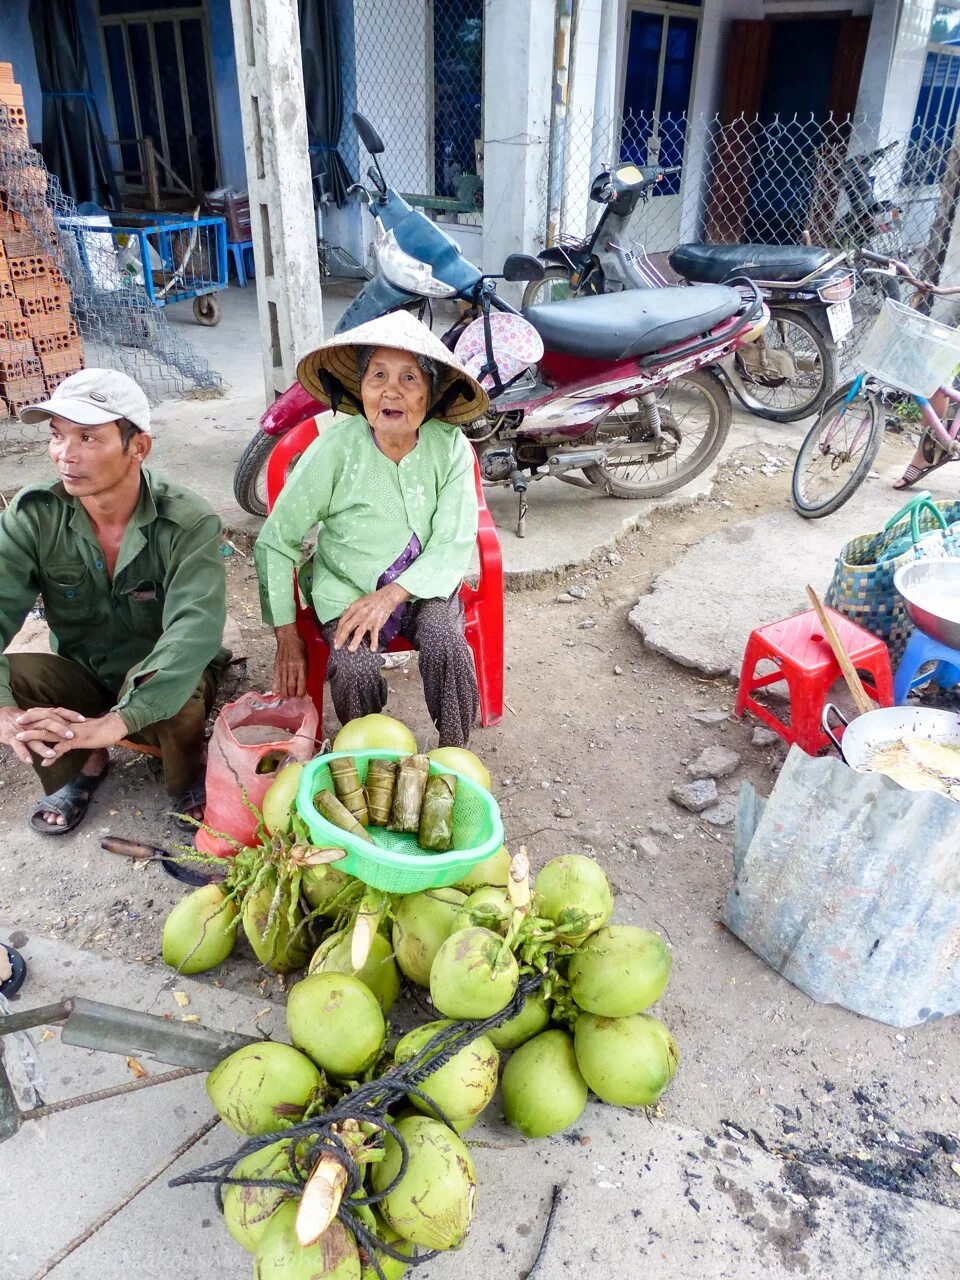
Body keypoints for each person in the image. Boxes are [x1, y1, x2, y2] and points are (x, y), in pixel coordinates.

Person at [0, 368, 228, 835]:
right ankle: (82, 762)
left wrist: (119, 720)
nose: (66, 454)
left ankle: (186, 779)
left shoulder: (188, 521)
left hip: (158, 682)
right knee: (21, 679)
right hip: (83, 677)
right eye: (57, 435)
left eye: (88, 437)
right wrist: (3, 711)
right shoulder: (33, 515)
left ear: (138, 447)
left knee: (178, 682)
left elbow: (194, 631)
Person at [255, 311, 488, 747]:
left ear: (431, 394)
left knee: (448, 645)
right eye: (377, 375)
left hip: (425, 585)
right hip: (348, 587)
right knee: (353, 666)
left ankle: (455, 751)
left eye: (409, 379)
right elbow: (277, 539)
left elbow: (454, 540)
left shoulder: (450, 446)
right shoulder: (334, 450)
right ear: (361, 389)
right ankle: (370, 753)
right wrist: (286, 636)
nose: (391, 391)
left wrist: (393, 595)